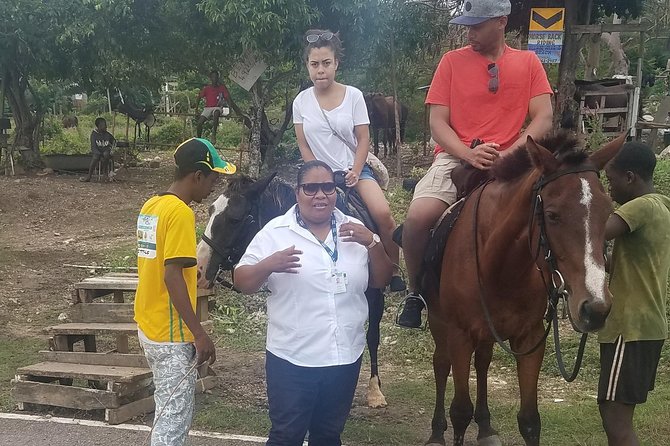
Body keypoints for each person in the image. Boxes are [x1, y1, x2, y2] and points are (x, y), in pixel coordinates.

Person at [397, 0, 554, 328]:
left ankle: (557, 288)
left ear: (501, 22)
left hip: (513, 158)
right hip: (457, 155)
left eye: (477, 26)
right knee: (417, 217)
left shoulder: (528, 62)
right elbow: (438, 122)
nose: (470, 33)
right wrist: (467, 154)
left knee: (557, 212)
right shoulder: (451, 62)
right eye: (467, 26)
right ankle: (416, 291)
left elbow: (544, 117)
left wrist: (513, 153)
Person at [234, 160, 393, 446]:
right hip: (293, 359)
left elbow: (380, 280)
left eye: (327, 187)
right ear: (297, 193)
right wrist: (268, 264)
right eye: (310, 188)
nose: (320, 195)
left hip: (343, 356)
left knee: (328, 436)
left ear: (336, 192)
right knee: (286, 436)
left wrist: (373, 243)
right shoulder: (275, 232)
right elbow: (242, 282)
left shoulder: (354, 228)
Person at [134, 137, 236, 446]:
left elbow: (163, 265)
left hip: (149, 325)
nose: (213, 188)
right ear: (197, 176)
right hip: (172, 334)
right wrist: (199, 333)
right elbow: (171, 276)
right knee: (172, 424)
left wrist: (195, 275)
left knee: (166, 412)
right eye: (213, 179)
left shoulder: (152, 206)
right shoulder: (180, 213)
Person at [293, 29, 406, 292]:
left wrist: (356, 171)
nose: (320, 70)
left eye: (326, 63)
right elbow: (303, 143)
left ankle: (394, 268)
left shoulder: (353, 96)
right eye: (314, 64)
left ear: (336, 64)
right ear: (307, 66)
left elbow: (363, 138)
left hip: (353, 170)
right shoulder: (301, 102)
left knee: (383, 213)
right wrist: (317, 174)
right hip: (318, 175)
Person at [598, 141, 670, 446]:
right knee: (615, 413)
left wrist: (587, 197)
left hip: (629, 328)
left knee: (616, 422)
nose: (609, 189)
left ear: (630, 178)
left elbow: (592, 231)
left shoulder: (640, 206)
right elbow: (627, 264)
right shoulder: (662, 206)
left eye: (611, 181)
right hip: (648, 328)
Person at [196, 70, 231, 144]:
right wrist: (196, 110)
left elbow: (228, 99)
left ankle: (213, 135)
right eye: (213, 77)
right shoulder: (207, 88)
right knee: (199, 123)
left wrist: (230, 111)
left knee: (216, 113)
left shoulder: (221, 88)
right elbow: (199, 97)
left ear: (218, 78)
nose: (214, 79)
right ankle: (199, 139)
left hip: (217, 107)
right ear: (210, 78)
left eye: (216, 77)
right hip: (207, 108)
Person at [81, 117, 115, 182]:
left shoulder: (107, 134)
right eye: (104, 125)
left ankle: (105, 174)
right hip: (97, 152)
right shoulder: (94, 135)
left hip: (106, 152)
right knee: (95, 157)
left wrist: (112, 149)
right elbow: (93, 146)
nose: (106, 126)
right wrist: (98, 153)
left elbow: (114, 141)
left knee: (106, 154)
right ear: (99, 126)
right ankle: (89, 176)